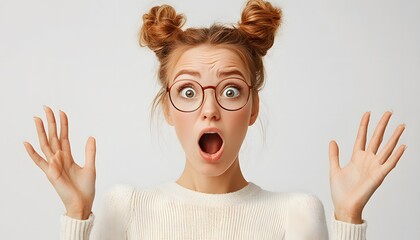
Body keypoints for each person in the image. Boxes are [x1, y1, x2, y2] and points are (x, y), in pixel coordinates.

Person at [24, 0, 406, 239]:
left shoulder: (296, 213)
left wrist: (348, 217)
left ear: (253, 108)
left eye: (230, 91)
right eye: (188, 92)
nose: (210, 109)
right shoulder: (125, 208)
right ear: (169, 109)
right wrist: (76, 215)